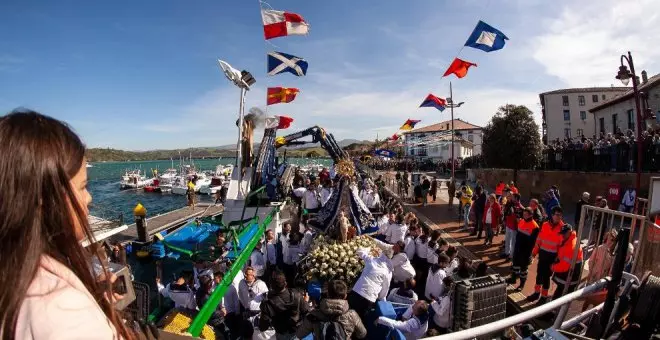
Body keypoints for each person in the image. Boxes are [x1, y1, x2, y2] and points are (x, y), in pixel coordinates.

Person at [0, 112, 139, 339]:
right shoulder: (64, 314)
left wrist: (93, 297)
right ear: (44, 199)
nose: (89, 198)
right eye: (83, 187)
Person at [297, 280, 367, 339]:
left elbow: (299, 334)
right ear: (345, 296)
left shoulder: (314, 314)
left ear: (327, 294)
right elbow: (362, 334)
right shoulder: (352, 314)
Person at [528, 206, 564, 304]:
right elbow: (539, 240)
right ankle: (536, 293)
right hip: (543, 254)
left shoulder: (562, 229)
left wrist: (558, 259)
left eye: (560, 215)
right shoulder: (544, 225)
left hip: (552, 257)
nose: (558, 217)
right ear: (552, 215)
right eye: (557, 215)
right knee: (539, 274)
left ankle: (543, 297)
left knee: (546, 277)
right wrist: (534, 253)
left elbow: (562, 246)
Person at [259, 271, 310, 339]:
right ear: (285, 283)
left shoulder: (267, 304)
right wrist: (305, 302)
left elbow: (262, 327)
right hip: (298, 333)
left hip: (282, 335)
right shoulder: (297, 295)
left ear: (271, 286)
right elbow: (307, 312)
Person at [349, 247, 393, 319]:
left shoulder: (371, 260)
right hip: (369, 297)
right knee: (359, 318)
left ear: (382, 253)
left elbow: (360, 251)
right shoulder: (388, 271)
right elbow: (385, 288)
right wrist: (380, 298)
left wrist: (370, 248)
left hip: (358, 290)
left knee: (349, 312)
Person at [507, 208, 540, 290]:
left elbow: (533, 243)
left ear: (531, 215)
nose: (524, 216)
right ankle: (513, 279)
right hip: (517, 248)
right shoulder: (521, 221)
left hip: (525, 252)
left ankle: (522, 285)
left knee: (523, 270)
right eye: (524, 214)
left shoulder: (535, 226)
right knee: (515, 265)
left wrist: (529, 255)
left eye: (526, 214)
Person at [551, 225, 583, 301]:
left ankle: (553, 311)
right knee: (561, 295)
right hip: (569, 277)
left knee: (560, 298)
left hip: (568, 278)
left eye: (564, 233)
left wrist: (553, 267)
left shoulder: (571, 246)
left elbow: (564, 266)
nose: (562, 235)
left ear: (569, 232)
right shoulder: (571, 240)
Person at [503, 193, 523, 259]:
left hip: (514, 227)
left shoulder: (520, 207)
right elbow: (506, 211)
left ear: (516, 198)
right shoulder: (510, 203)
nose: (511, 198)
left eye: (513, 197)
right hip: (508, 225)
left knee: (513, 242)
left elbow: (520, 218)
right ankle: (506, 253)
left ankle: (511, 256)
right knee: (507, 240)